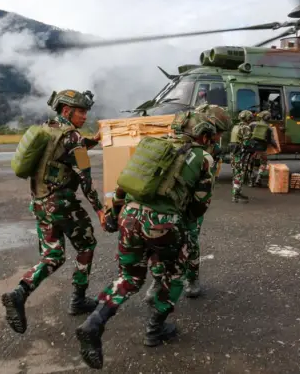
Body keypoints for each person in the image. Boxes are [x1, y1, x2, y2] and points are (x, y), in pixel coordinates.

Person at [74, 111, 218, 370]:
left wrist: (113, 214)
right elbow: (199, 206)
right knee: (173, 276)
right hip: (164, 224)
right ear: (203, 135)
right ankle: (155, 329)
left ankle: (95, 321)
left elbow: (123, 185)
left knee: (129, 277)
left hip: (129, 217)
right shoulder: (203, 157)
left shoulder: (150, 147)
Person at [2, 89, 106, 335]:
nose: (85, 116)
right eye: (81, 111)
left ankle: (19, 293)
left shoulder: (48, 129)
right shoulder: (72, 137)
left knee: (53, 257)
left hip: (40, 203)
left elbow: (66, 152)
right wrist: (101, 211)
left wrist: (93, 139)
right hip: (62, 205)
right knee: (87, 245)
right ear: (67, 111)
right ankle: (78, 300)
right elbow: (86, 180)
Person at [143, 104, 232, 301]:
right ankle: (158, 280)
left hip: (193, 200)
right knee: (159, 240)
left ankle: (191, 278)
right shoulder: (184, 134)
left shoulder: (212, 147)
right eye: (218, 132)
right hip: (170, 198)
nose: (218, 137)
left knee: (191, 239)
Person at [248, 110, 278, 187]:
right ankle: (258, 178)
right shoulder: (269, 128)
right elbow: (271, 140)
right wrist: (276, 147)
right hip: (262, 149)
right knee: (263, 163)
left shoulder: (252, 124)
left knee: (253, 164)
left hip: (252, 149)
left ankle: (251, 181)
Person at [229, 110, 253, 203]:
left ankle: (237, 192)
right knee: (240, 174)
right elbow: (247, 142)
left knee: (236, 173)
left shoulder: (235, 126)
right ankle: (235, 195)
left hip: (233, 153)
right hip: (241, 153)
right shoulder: (246, 127)